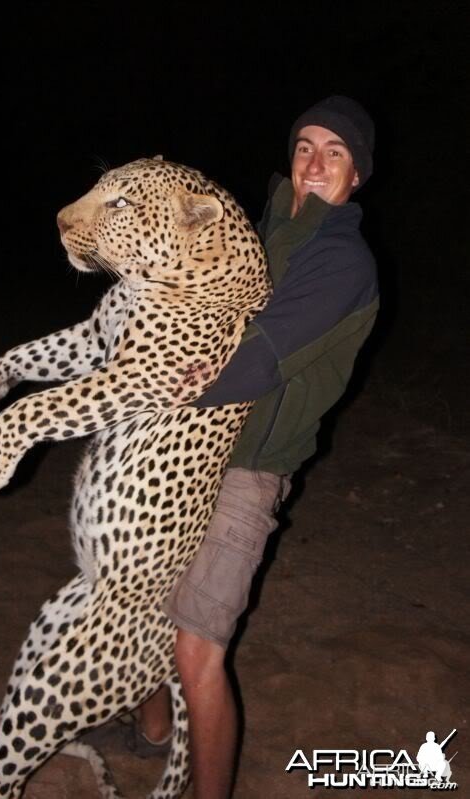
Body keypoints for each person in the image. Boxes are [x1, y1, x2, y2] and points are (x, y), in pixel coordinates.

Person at [92, 96, 380, 799]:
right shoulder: (263, 232)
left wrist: (156, 379)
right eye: (305, 146)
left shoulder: (342, 260)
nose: (314, 163)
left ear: (357, 174)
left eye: (335, 152)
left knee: (199, 649)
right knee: (142, 606)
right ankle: (153, 730)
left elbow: (258, 359)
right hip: (191, 449)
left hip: (248, 470)